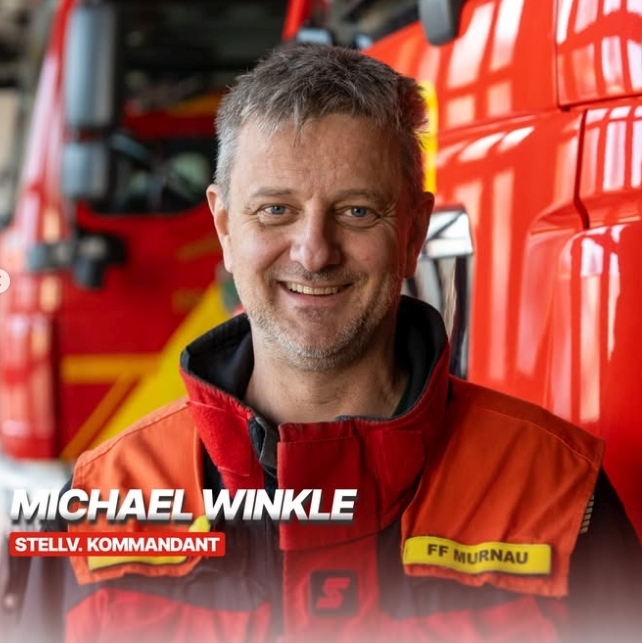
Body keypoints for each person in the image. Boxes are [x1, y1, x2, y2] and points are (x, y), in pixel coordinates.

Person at [10, 43, 642, 643]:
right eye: (275, 211)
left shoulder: (558, 497)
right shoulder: (100, 507)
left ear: (414, 232)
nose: (314, 253)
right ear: (224, 227)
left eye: (356, 211)